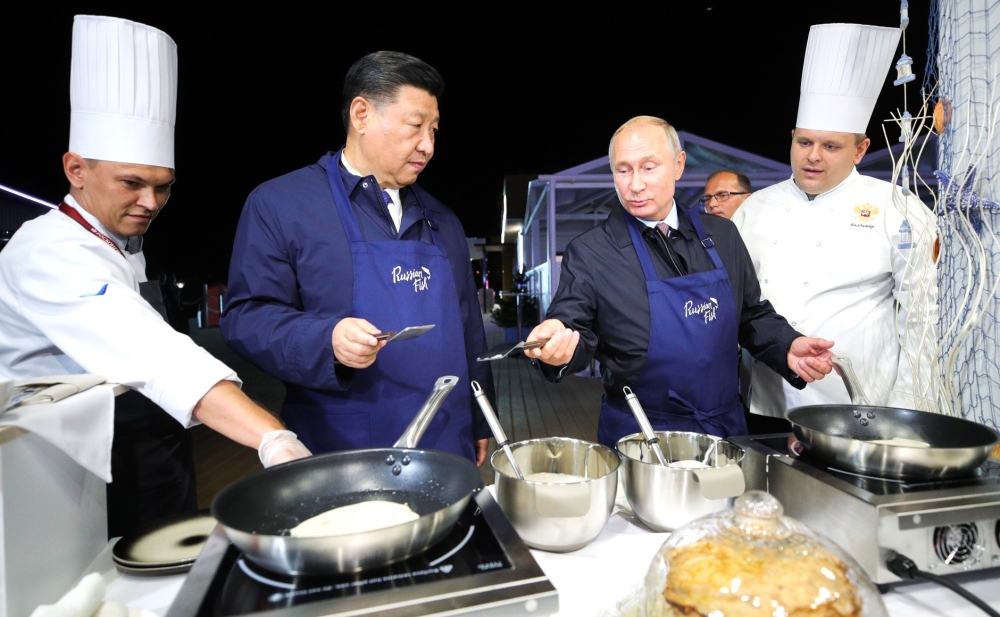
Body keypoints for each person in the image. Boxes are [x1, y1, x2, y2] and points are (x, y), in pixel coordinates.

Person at [0, 15, 310, 539]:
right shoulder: (46, 251)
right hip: (64, 477)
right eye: (131, 183)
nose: (150, 203)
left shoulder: (120, 244)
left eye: (163, 187)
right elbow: (151, 351)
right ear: (76, 170)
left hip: (151, 452)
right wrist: (270, 437)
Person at [221, 52, 495, 465]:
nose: (429, 145)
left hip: (445, 442)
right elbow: (247, 316)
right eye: (416, 126)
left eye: (434, 130)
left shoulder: (443, 219)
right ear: (362, 114)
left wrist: (480, 418)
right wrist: (325, 340)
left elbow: (469, 328)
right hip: (342, 448)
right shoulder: (280, 204)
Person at [525, 116, 836, 448]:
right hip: (640, 436)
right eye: (623, 169)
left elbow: (750, 315)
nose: (635, 185)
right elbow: (574, 327)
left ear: (678, 165)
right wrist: (558, 346)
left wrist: (787, 345)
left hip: (725, 430)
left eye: (649, 167)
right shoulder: (591, 252)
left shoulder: (722, 235)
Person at [734, 24, 936, 420]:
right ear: (791, 138)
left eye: (831, 146)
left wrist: (907, 410)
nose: (813, 157)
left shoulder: (899, 209)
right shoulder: (753, 209)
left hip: (861, 408)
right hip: (763, 404)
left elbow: (922, 322)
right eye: (804, 142)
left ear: (860, 149)